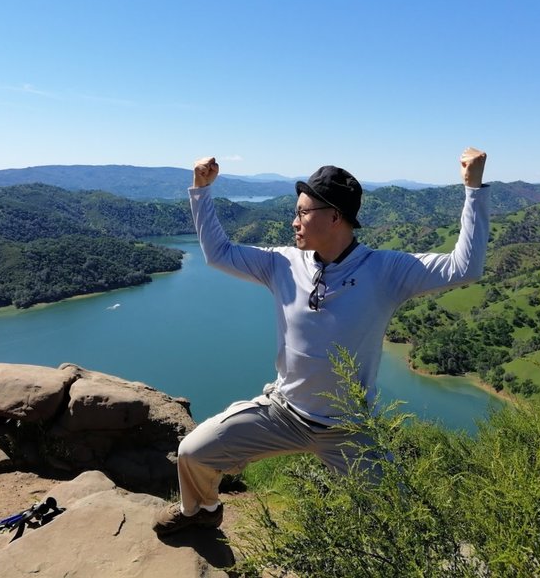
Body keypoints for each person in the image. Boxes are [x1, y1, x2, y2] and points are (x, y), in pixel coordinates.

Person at [153, 149, 489, 536]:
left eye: (302, 212)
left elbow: (466, 267)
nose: (294, 222)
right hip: (282, 413)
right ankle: (201, 511)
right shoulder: (282, 263)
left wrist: (474, 189)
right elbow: (219, 253)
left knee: (399, 521)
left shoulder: (386, 270)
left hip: (348, 429)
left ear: (334, 217)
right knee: (193, 453)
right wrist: (201, 192)